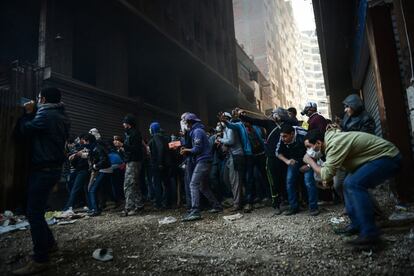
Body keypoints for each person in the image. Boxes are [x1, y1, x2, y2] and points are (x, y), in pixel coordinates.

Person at [303, 129, 401, 249]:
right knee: (348, 183)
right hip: (375, 158)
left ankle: (370, 235)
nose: (308, 152)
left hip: (388, 157)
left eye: (309, 147)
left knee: (354, 185)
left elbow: (326, 173)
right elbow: (333, 171)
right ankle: (357, 224)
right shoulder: (330, 143)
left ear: (318, 143)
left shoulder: (334, 143)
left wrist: (310, 162)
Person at [14, 87, 70, 275]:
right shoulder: (62, 115)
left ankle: (41, 259)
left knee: (34, 212)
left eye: (39, 98)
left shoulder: (46, 116)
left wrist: (28, 113)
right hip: (51, 169)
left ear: (43, 99)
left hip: (44, 169)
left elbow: (25, 130)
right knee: (34, 210)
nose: (37, 101)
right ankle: (50, 245)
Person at [238, 107, 293, 214]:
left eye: (274, 114)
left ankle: (287, 201)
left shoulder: (287, 125)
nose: (272, 116)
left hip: (284, 158)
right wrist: (241, 116)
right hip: (271, 158)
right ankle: (276, 204)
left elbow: (294, 122)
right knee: (273, 181)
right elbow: (254, 121)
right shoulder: (269, 123)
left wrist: (281, 118)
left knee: (285, 179)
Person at [180, 113, 222, 221]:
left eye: (185, 122)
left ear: (189, 122)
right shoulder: (195, 131)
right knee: (203, 186)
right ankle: (216, 205)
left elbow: (197, 149)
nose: (185, 124)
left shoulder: (197, 131)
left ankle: (195, 211)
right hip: (205, 161)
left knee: (193, 184)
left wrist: (186, 150)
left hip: (203, 161)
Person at [275, 124, 319, 216]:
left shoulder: (303, 135)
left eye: (285, 136)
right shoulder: (282, 137)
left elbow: (316, 150)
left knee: (308, 181)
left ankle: (313, 207)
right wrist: (287, 161)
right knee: (289, 181)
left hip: (309, 158)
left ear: (292, 134)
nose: (283, 139)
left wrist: (308, 165)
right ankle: (294, 207)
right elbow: (277, 152)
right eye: (282, 137)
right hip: (294, 160)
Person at [114, 114, 144, 216]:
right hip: (131, 161)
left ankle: (128, 208)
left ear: (128, 124)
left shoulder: (134, 134)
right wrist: (123, 148)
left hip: (133, 162)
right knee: (134, 184)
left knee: (128, 185)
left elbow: (135, 148)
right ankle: (139, 205)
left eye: (124, 122)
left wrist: (122, 145)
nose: (123, 124)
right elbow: (131, 148)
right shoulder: (130, 133)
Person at [217, 112, 245, 212]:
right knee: (226, 179)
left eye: (223, 118)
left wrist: (220, 139)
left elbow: (230, 141)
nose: (221, 121)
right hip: (230, 157)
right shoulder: (225, 129)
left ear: (227, 119)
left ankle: (238, 204)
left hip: (236, 156)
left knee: (235, 181)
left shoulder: (231, 128)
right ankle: (238, 199)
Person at [148, 122, 172, 209]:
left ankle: (159, 203)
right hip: (165, 165)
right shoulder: (164, 138)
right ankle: (167, 202)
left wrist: (159, 163)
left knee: (157, 184)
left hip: (158, 165)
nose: (149, 130)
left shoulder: (156, 138)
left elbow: (160, 148)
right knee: (166, 183)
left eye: (150, 128)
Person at [87, 140, 112, 216]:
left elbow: (103, 160)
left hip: (103, 170)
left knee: (92, 190)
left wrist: (95, 166)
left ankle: (95, 210)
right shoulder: (97, 148)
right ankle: (98, 208)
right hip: (104, 170)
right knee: (101, 190)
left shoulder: (97, 148)